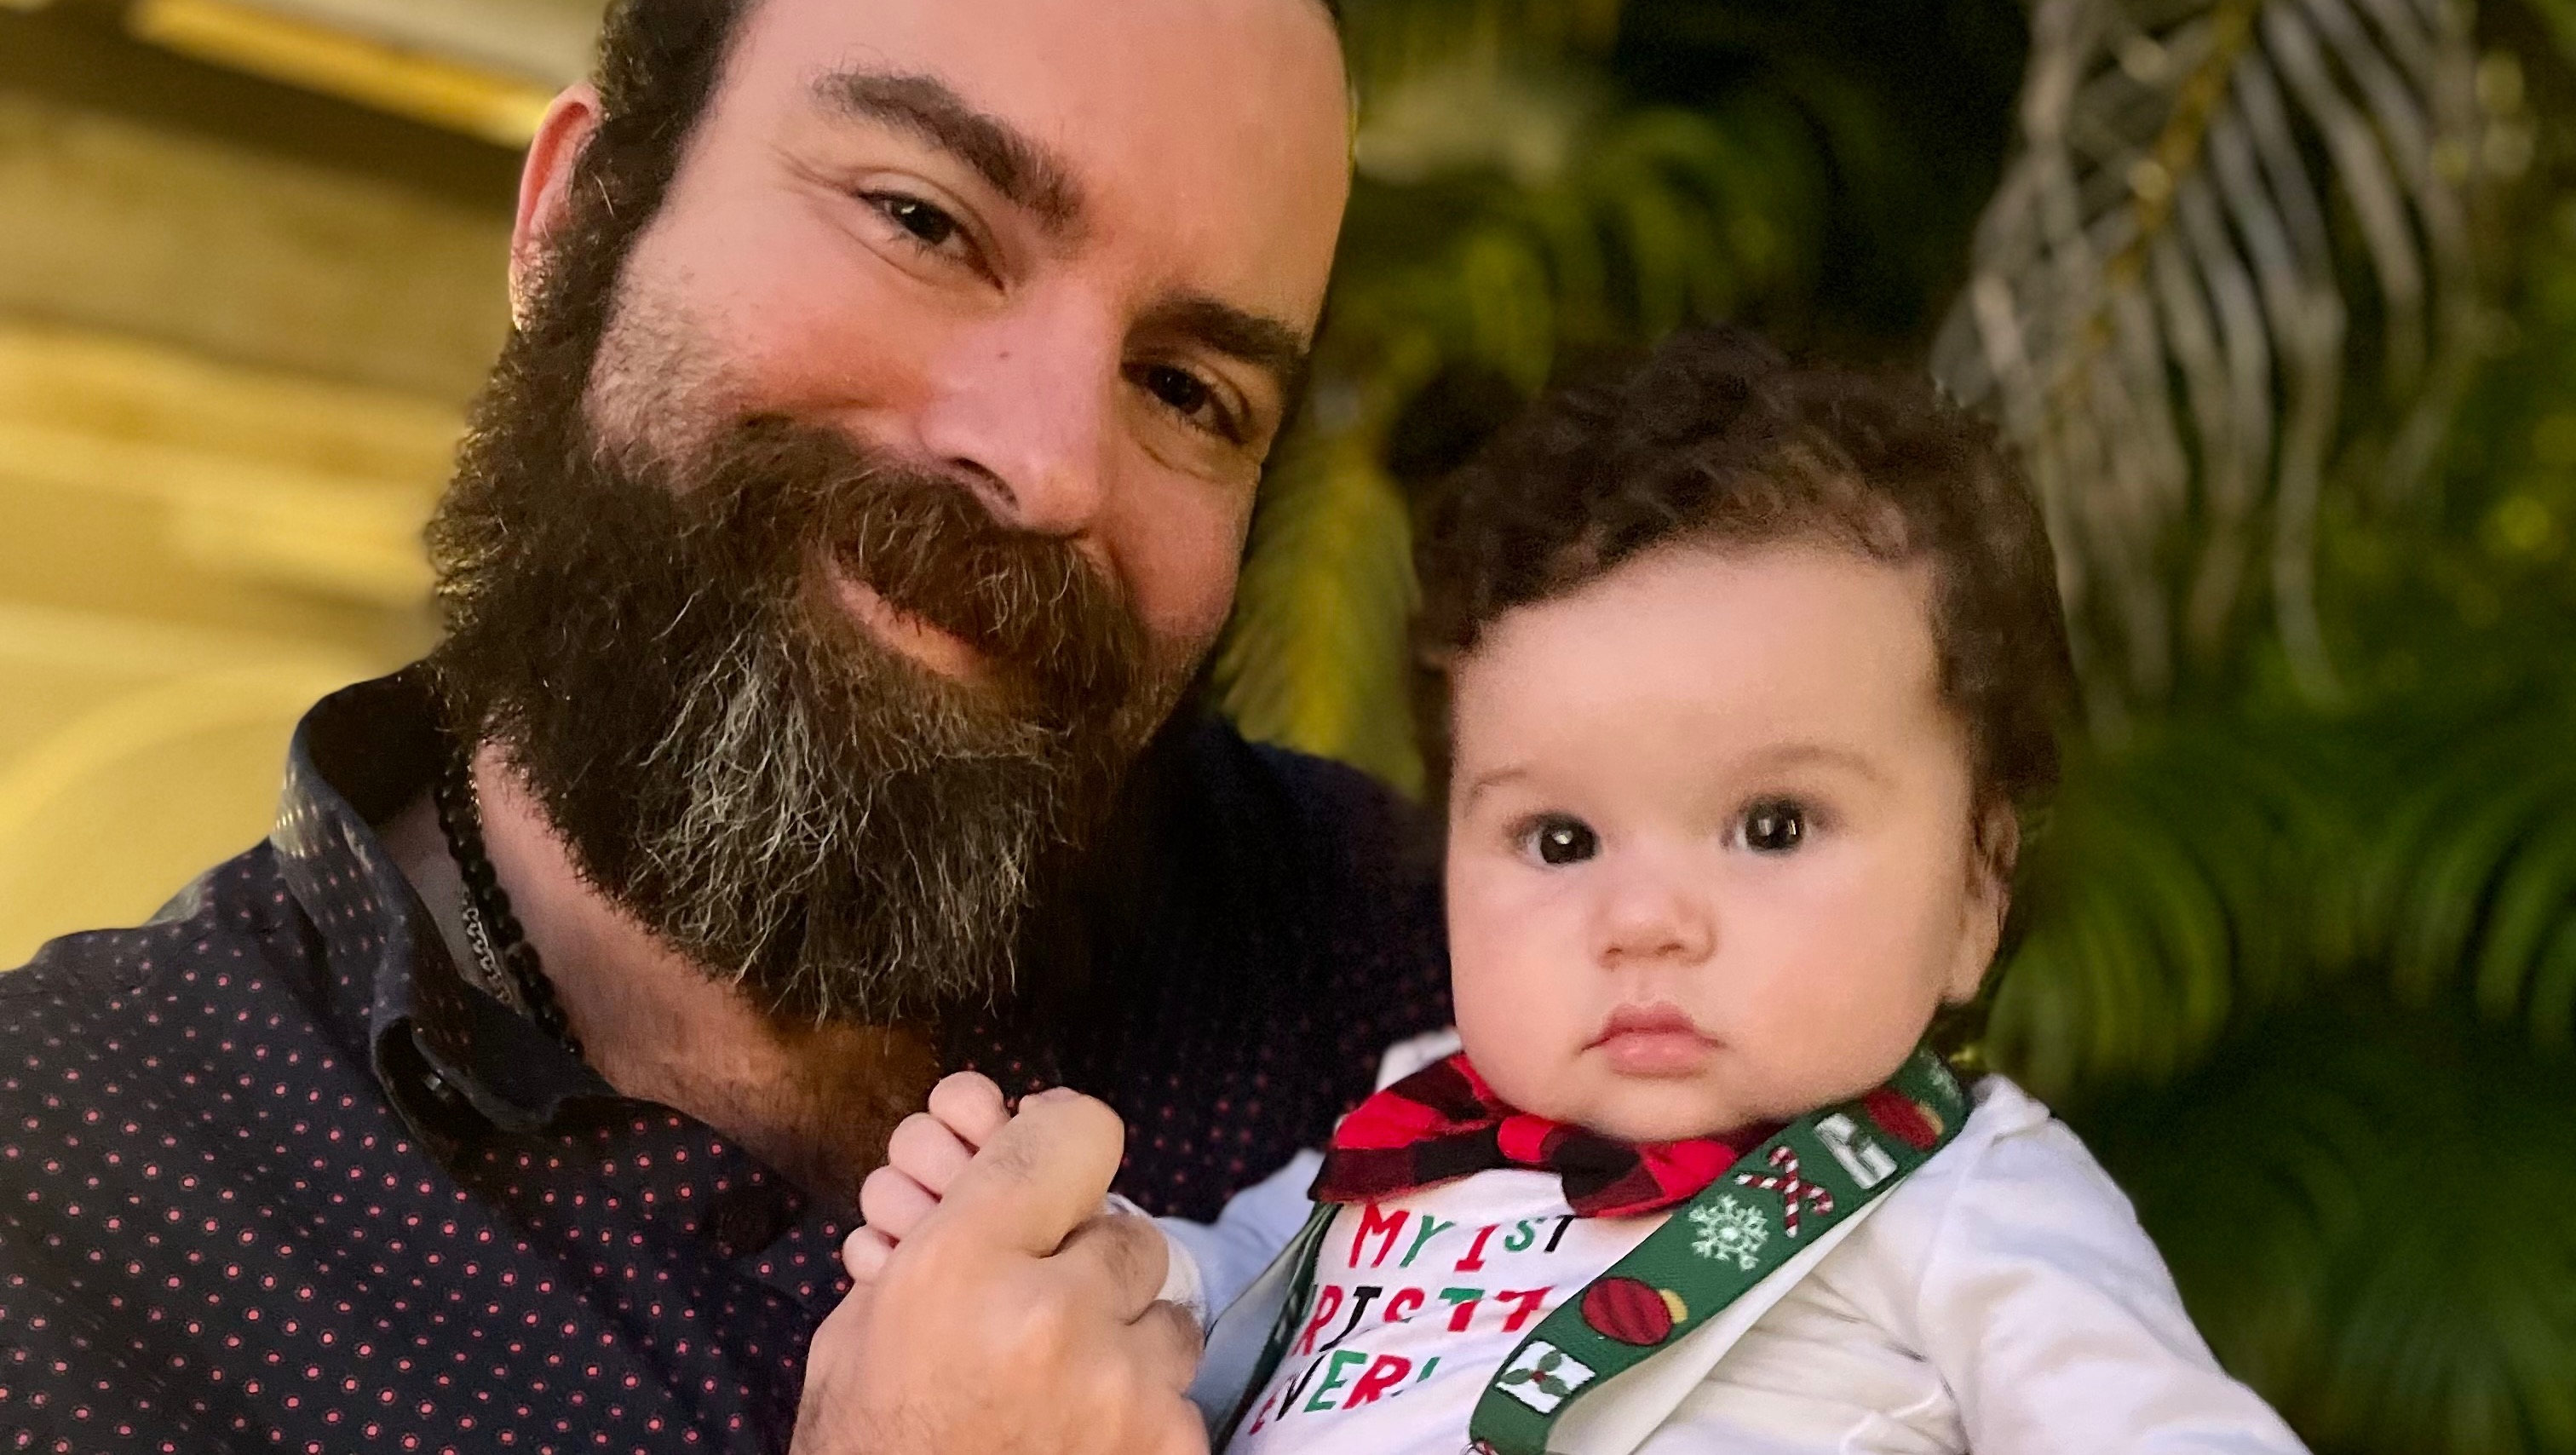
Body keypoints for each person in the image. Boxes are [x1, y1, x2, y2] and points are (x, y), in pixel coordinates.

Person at [0, 0, 1450, 1451]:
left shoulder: (1430, 958)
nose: (1050, 465)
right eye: (924, 222)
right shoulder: (55, 1227)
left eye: (1189, 392)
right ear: (578, 219)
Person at [854, 329, 2312, 1453]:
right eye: (1559, 841)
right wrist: (1079, 1260)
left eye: (1773, 826)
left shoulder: (1964, 1198)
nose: (1644, 921)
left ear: (1979, 890)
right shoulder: (1409, 1134)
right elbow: (1224, 1305)